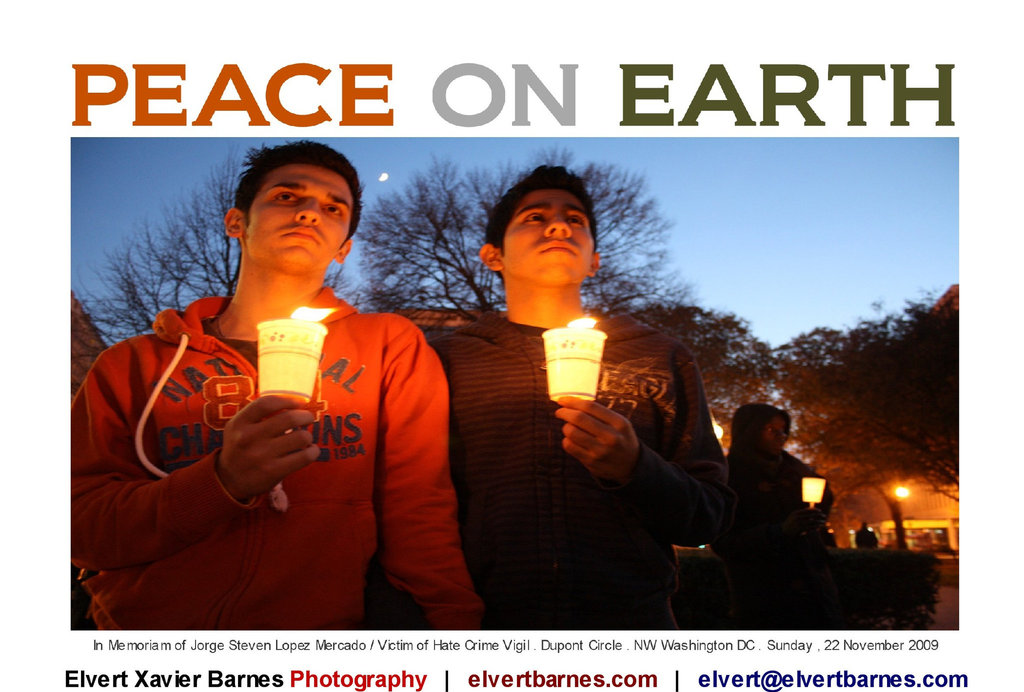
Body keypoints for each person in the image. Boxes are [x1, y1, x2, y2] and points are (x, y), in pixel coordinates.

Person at [71, 141, 483, 630]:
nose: (311, 212)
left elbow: (420, 510)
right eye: (288, 197)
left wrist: (453, 629)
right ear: (236, 223)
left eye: (333, 208)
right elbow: (81, 527)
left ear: (343, 247)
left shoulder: (388, 346)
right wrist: (220, 482)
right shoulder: (132, 365)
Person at [431, 165, 734, 629]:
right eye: (534, 217)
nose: (559, 225)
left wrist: (636, 469)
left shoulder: (657, 357)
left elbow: (709, 516)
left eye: (577, 220)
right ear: (493, 255)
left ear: (594, 260)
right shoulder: (444, 360)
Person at [712, 404, 844, 630]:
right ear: (749, 431)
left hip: (815, 592)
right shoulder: (729, 476)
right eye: (772, 430)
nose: (781, 437)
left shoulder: (797, 471)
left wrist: (815, 514)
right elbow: (724, 542)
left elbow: (822, 500)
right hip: (764, 597)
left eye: (784, 431)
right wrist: (779, 531)